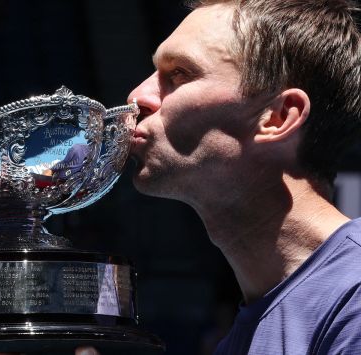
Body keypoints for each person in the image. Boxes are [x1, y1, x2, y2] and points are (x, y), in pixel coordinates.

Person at [127, 0, 361, 353]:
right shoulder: (243, 335)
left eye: (179, 74)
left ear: (277, 117)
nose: (138, 97)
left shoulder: (354, 295)